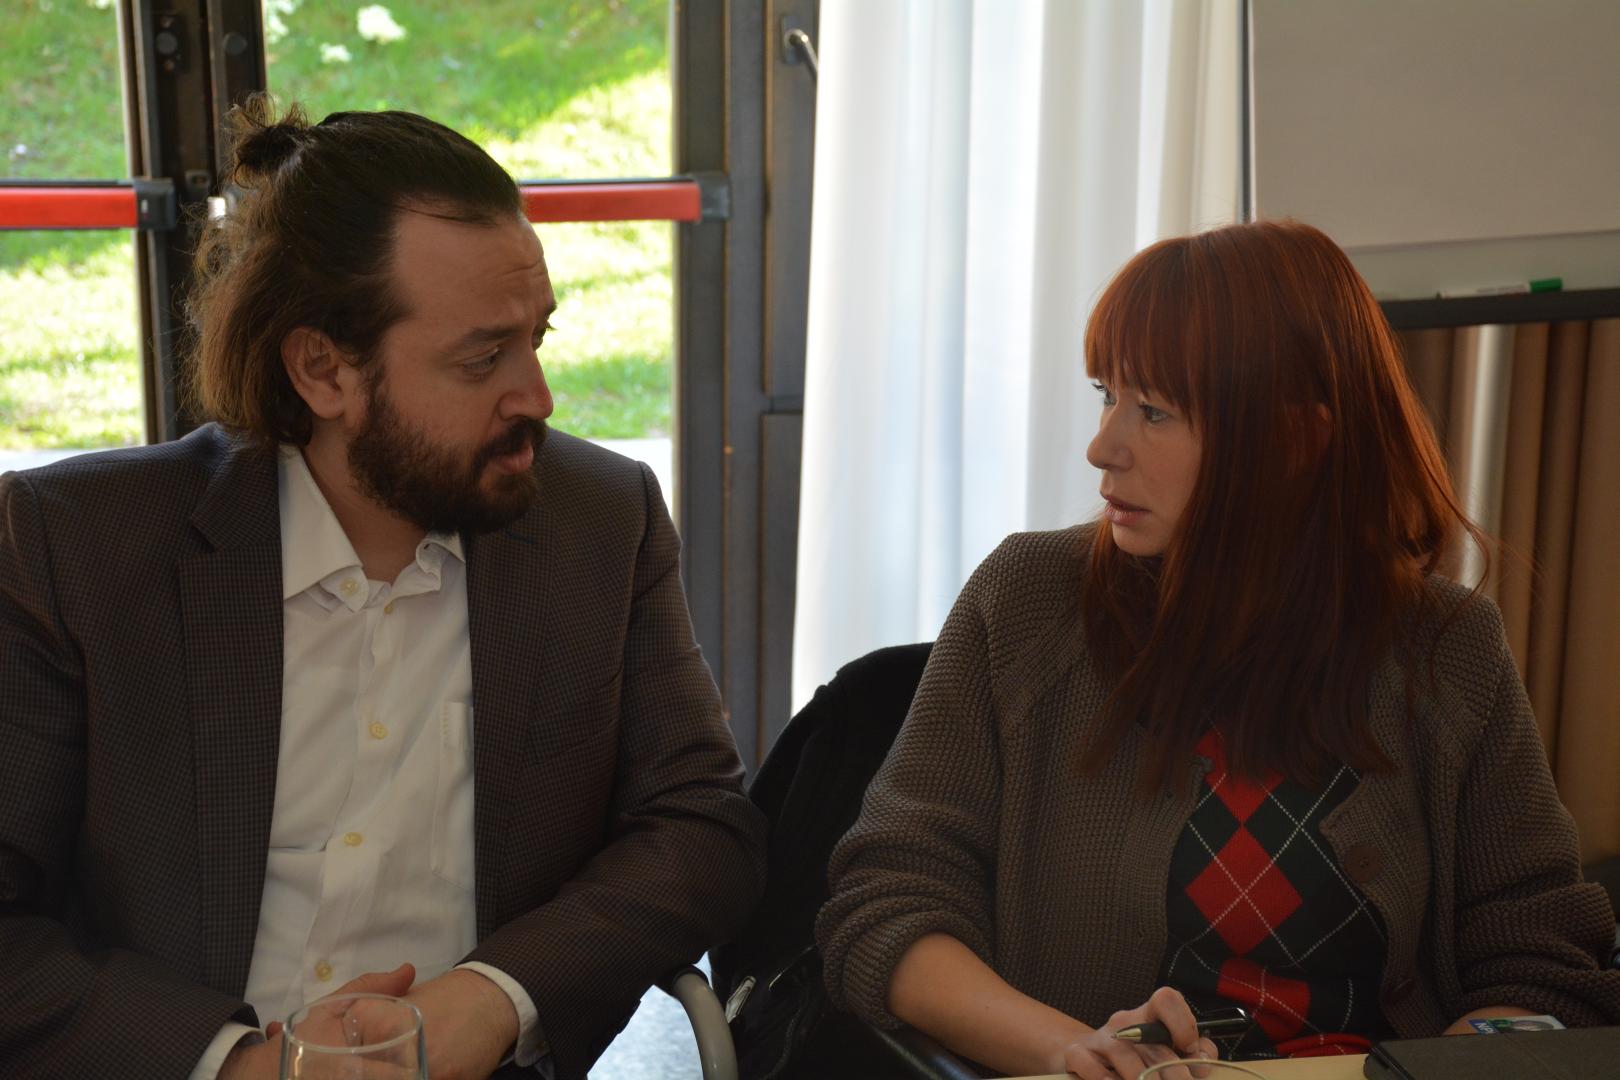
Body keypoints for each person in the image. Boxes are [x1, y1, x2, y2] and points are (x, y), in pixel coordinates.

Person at [0, 97, 766, 1080]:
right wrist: (236, 1064)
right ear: (323, 370)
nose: (537, 397)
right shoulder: (78, 548)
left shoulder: (599, 523)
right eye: (481, 358)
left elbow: (702, 826)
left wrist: (494, 996)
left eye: (537, 339)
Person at [815, 220, 1620, 1080]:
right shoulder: (1026, 600)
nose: (1102, 446)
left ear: (1296, 439)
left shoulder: (1447, 646)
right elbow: (890, 904)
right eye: (1107, 395)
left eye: (1154, 411)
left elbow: (1542, 961)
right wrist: (1071, 1049)